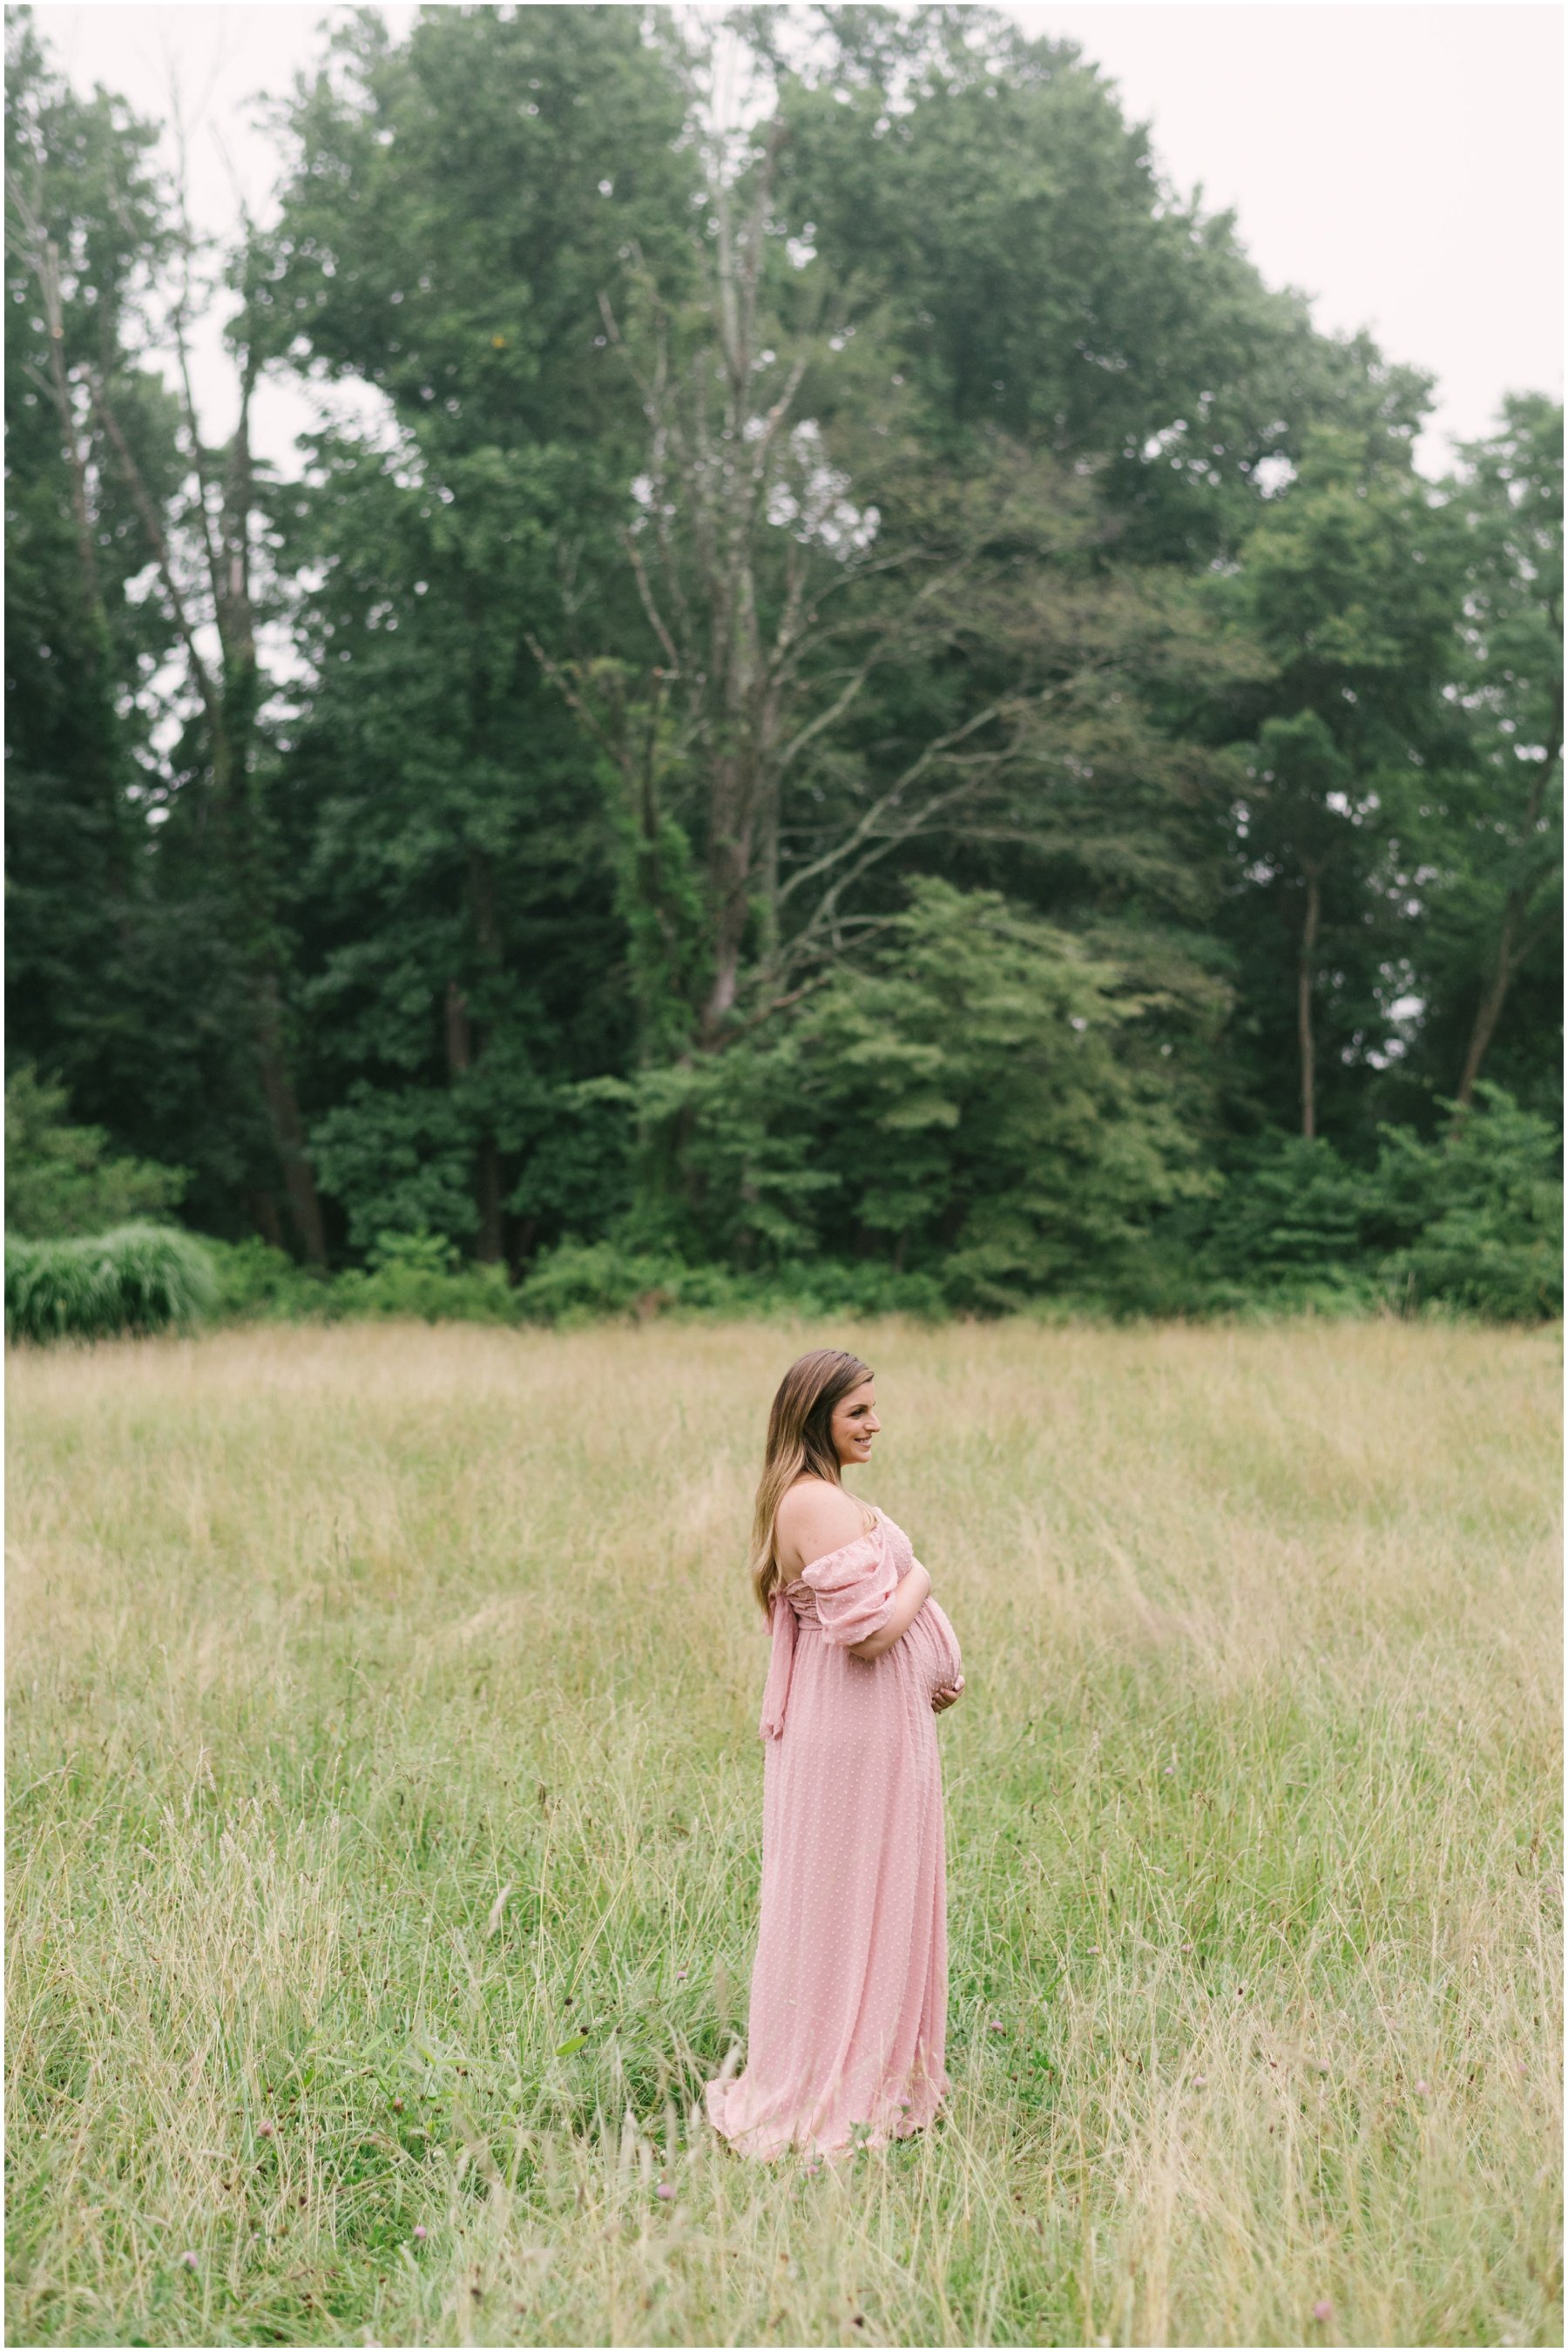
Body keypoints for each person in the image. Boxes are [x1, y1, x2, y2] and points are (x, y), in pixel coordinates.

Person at [704, 1347, 965, 2165]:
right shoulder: (811, 1502)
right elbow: (867, 1635)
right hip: (851, 1728)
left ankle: (878, 2070)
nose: (874, 1424)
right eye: (858, 1412)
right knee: (846, 1901)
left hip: (877, 1727)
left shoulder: (822, 1497)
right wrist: (920, 1578)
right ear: (815, 1417)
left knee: (876, 1891)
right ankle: (834, 2084)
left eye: (874, 1409)